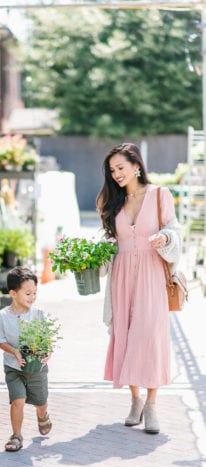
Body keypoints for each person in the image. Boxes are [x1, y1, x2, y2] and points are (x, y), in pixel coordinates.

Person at [96, 143, 182, 434]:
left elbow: (174, 229)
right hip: (121, 277)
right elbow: (111, 241)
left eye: (120, 168)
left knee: (150, 336)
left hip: (151, 274)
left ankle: (153, 404)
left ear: (136, 165)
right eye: (112, 170)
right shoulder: (113, 201)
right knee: (126, 334)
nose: (116, 174)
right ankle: (135, 400)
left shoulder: (159, 194)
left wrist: (165, 238)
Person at [0, 266, 52, 451]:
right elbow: (0, 341)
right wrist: (15, 352)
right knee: (17, 400)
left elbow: (46, 340)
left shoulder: (38, 314)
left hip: (37, 368)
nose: (32, 297)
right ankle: (16, 435)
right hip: (13, 367)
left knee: (40, 401)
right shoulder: (3, 316)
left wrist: (48, 351)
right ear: (13, 293)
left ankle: (42, 415)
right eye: (27, 293)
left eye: (34, 293)